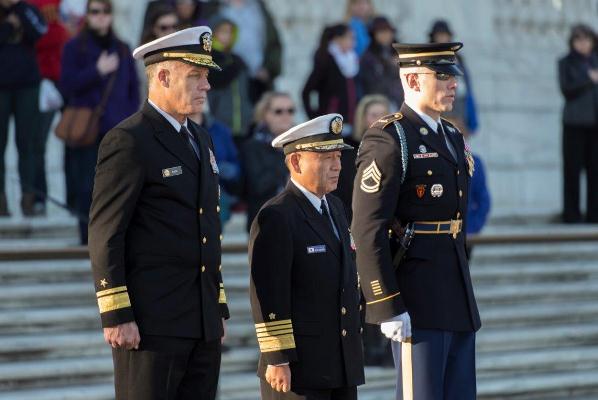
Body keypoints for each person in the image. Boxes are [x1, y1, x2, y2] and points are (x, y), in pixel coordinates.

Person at [88, 26, 229, 400]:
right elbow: (107, 232)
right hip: (152, 324)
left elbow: (206, 226)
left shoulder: (199, 138)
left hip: (199, 321)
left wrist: (216, 309)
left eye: (206, 77)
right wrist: (116, 314)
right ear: (163, 76)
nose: (206, 86)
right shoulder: (129, 139)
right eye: (195, 76)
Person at [351, 43, 481, 400]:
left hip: (455, 292)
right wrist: (386, 302)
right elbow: (367, 228)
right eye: (441, 75)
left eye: (452, 74)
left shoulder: (453, 137)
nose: (452, 83)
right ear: (411, 78)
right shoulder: (391, 138)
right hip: (416, 296)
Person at [249, 113, 364, 400]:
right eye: (326, 158)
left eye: (338, 156)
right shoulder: (278, 215)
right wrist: (277, 356)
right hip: (301, 368)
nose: (337, 165)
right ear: (296, 161)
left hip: (339, 361)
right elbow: (268, 292)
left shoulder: (335, 207)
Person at [60, 0, 139, 243]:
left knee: (118, 185)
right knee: (86, 185)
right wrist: (97, 70)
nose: (101, 17)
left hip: (117, 129)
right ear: (88, 15)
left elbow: (133, 90)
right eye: (95, 12)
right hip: (87, 130)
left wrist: (129, 121)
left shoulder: (123, 49)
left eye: (106, 12)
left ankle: (115, 237)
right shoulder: (74, 47)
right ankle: (87, 238)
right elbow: (67, 84)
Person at [0, 0, 47, 216]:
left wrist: (18, 8)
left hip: (27, 86)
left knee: (26, 144)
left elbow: (39, 31)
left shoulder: (27, 9)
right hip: (1, 87)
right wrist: (9, 26)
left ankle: (28, 198)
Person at [30, 0, 70, 215]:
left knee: (77, 139)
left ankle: (76, 198)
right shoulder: (28, 5)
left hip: (67, 79)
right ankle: (39, 198)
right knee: (38, 143)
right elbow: (39, 39)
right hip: (42, 81)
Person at [558, 24, 598, 223]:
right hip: (574, 123)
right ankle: (571, 214)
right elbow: (567, 89)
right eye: (579, 40)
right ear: (572, 42)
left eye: (587, 39)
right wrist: (589, 80)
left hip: (595, 125)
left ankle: (594, 214)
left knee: (595, 171)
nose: (583, 44)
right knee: (572, 170)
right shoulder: (565, 63)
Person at [240, 91, 294, 231]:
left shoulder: (301, 145)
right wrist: (283, 154)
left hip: (296, 220)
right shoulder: (252, 146)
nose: (286, 115)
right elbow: (258, 186)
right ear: (265, 114)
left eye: (290, 110)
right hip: (264, 222)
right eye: (278, 111)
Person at [333, 94, 389, 212]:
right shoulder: (347, 151)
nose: (380, 120)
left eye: (384, 114)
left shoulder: (398, 148)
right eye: (374, 115)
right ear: (362, 118)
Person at [219, 0, 282, 104]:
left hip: (259, 79)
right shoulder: (216, 7)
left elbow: (274, 42)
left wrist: (269, 68)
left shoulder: (258, 7)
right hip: (229, 80)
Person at [302, 24, 359, 127]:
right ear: (338, 39)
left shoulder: (352, 60)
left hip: (351, 122)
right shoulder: (325, 60)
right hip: (330, 123)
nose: (353, 42)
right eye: (350, 38)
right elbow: (306, 91)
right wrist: (313, 117)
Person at [191, 110, 241, 225]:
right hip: (184, 193)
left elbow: (236, 165)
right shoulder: (171, 128)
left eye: (203, 91)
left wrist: (229, 170)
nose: (200, 94)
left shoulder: (220, 130)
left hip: (217, 194)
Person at [207, 15, 252, 141]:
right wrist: (233, 67)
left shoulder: (238, 60)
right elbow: (217, 80)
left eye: (230, 32)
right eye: (222, 31)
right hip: (216, 125)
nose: (227, 36)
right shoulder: (208, 58)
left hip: (242, 126)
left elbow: (247, 90)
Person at [429, 20, 478, 134]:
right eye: (439, 35)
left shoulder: (458, 58)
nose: (442, 38)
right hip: (440, 109)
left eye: (444, 35)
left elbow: (465, 87)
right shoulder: (429, 58)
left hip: (459, 108)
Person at [359, 16, 404, 110]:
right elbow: (372, 85)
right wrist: (391, 66)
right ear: (374, 34)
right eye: (381, 32)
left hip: (401, 101)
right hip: (379, 104)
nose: (386, 35)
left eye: (388, 32)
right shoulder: (368, 57)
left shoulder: (399, 51)